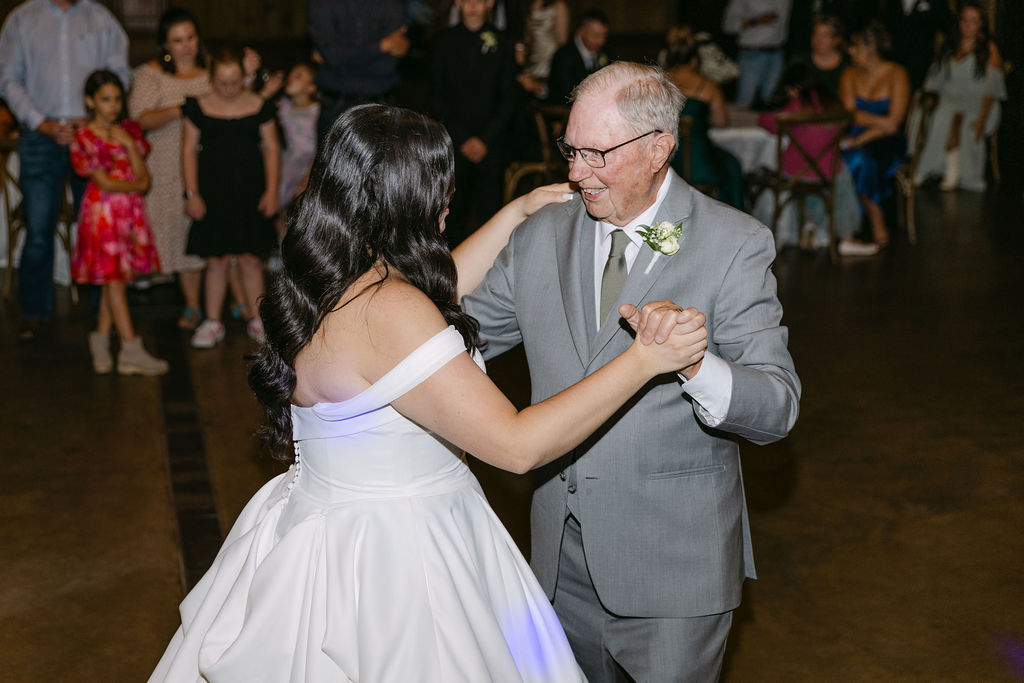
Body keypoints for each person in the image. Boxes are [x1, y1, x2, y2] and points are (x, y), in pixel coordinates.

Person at [149, 103, 705, 682]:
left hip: (323, 526)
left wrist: (517, 211)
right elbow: (517, 446)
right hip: (398, 555)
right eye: (439, 189)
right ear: (405, 199)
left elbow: (432, 301)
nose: (448, 204)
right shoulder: (391, 310)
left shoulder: (333, 275)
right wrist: (646, 360)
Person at [463, 61, 801, 681]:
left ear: (658, 149)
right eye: (570, 148)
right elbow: (457, 337)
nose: (574, 171)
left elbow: (777, 406)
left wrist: (698, 365)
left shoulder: (733, 243)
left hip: (675, 574)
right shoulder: (543, 236)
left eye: (595, 153)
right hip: (557, 568)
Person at [0, 0, 129, 341]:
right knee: (39, 227)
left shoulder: (100, 18)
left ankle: (105, 315)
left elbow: (119, 71)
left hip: (95, 136)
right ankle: (34, 312)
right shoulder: (22, 19)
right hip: (41, 136)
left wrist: (95, 120)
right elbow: (8, 78)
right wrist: (40, 122)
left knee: (101, 229)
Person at [71, 70, 167, 376]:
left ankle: (100, 341)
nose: (113, 106)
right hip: (103, 216)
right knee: (114, 282)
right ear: (90, 101)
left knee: (117, 280)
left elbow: (145, 175)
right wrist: (137, 186)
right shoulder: (84, 136)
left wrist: (127, 145)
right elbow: (105, 183)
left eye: (116, 99)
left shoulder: (128, 132)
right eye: (105, 99)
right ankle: (130, 347)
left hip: (128, 215)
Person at [182, 48, 279, 348]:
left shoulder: (259, 105)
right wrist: (192, 193)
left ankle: (258, 320)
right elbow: (187, 151)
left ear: (244, 78)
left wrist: (272, 191)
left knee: (251, 258)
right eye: (223, 83)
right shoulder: (198, 107)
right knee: (216, 259)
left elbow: (272, 148)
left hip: (250, 192)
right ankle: (213, 321)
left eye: (235, 82)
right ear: (212, 79)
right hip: (213, 194)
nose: (229, 89)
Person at [756, 63, 875, 255]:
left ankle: (809, 225)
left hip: (794, 172)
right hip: (827, 171)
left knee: (806, 172)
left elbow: (768, 122)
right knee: (841, 172)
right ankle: (845, 236)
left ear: (795, 88)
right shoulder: (834, 104)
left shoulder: (796, 106)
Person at [429, 0, 519, 247]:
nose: (472, 5)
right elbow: (437, 97)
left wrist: (485, 139)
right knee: (451, 216)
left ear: (490, 3)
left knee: (491, 214)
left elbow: (509, 98)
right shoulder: (443, 42)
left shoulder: (504, 42)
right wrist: (463, 138)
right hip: (455, 144)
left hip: (491, 144)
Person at [913, 2, 1005, 192]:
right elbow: (935, 77)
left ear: (981, 24)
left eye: (973, 21)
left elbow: (991, 89)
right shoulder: (949, 45)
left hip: (979, 101)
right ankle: (927, 164)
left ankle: (943, 169)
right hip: (949, 96)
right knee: (928, 110)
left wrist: (982, 118)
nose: (968, 25)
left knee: (949, 112)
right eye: (964, 20)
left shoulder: (989, 50)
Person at [839, 22, 909, 248]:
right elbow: (851, 115)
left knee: (863, 158)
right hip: (854, 135)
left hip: (886, 140)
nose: (849, 51)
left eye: (854, 47)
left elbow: (895, 122)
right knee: (844, 158)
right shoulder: (848, 74)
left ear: (870, 47)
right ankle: (848, 223)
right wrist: (882, 121)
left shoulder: (897, 73)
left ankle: (876, 219)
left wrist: (862, 138)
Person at [307, 0, 409, 145]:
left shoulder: (390, 4)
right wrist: (381, 46)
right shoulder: (322, 4)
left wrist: (342, 59)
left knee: (384, 165)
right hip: (336, 102)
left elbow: (388, 64)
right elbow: (332, 55)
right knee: (333, 164)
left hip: (380, 99)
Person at [664, 38, 745, 209]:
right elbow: (721, 122)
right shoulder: (708, 86)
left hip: (666, 161)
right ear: (694, 61)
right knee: (732, 165)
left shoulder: (659, 83)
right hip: (699, 163)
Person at [722, 0, 794, 108]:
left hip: (777, 53)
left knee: (772, 101)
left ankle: (767, 124)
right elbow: (728, 26)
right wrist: (756, 21)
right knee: (745, 100)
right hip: (752, 53)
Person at [276, 63, 320, 217]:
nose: (291, 78)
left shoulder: (317, 112)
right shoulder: (284, 107)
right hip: (288, 162)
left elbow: (320, 144)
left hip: (310, 163)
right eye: (291, 74)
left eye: (298, 76)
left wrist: (308, 175)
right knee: (277, 207)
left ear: (311, 87)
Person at [882, 0, 952, 91]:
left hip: (920, 66)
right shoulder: (892, 3)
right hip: (894, 63)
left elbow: (949, 26)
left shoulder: (935, 2)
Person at [546, 9, 609, 105]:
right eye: (596, 36)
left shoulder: (606, 52)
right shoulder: (563, 56)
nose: (601, 41)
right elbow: (567, 93)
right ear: (581, 31)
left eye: (604, 36)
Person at [789, 13, 849, 97]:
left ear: (837, 40)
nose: (818, 39)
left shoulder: (847, 66)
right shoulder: (800, 60)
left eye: (825, 35)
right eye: (815, 33)